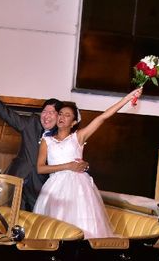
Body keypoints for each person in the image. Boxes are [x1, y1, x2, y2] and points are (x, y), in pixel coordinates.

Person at [33, 89, 143, 238]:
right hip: (54, 190)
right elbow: (40, 168)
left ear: (74, 122)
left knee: (82, 228)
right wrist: (68, 166)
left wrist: (128, 97)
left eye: (67, 115)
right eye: (60, 114)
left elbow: (102, 117)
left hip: (79, 189)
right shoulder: (47, 141)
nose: (62, 117)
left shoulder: (78, 137)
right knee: (54, 231)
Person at [0, 76, 87, 211]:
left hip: (39, 188)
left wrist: (85, 166)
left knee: (31, 224)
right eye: (44, 111)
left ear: (59, 116)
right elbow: (6, 114)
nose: (46, 115)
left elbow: (73, 158)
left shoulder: (62, 137)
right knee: (7, 217)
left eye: (51, 112)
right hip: (16, 180)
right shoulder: (31, 124)